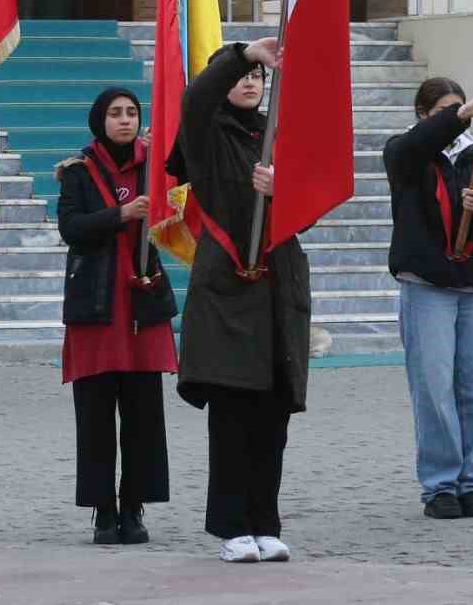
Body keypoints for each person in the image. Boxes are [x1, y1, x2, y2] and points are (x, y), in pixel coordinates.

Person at [166, 39, 311, 564]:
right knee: (233, 413)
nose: (250, 83)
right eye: (241, 76)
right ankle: (232, 527)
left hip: (278, 286)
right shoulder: (206, 131)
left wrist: (285, 190)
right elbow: (194, 99)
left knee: (273, 414)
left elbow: (309, 210)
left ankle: (265, 522)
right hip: (229, 288)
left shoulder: (277, 134)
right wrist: (243, 52)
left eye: (257, 77)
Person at [384, 77, 473, 519]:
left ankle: (471, 482)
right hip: (427, 286)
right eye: (446, 110)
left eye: (462, 109)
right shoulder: (405, 155)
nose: (461, 119)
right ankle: (440, 485)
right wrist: (455, 116)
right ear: (424, 115)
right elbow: (416, 146)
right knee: (434, 390)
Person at [56, 87, 178, 545]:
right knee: (95, 413)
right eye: (115, 113)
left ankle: (134, 506)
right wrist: (121, 213)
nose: (124, 120)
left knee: (144, 414)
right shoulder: (78, 171)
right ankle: (102, 510)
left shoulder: (156, 166)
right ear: (99, 120)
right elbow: (71, 228)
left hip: (143, 302)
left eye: (131, 113)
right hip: (97, 303)